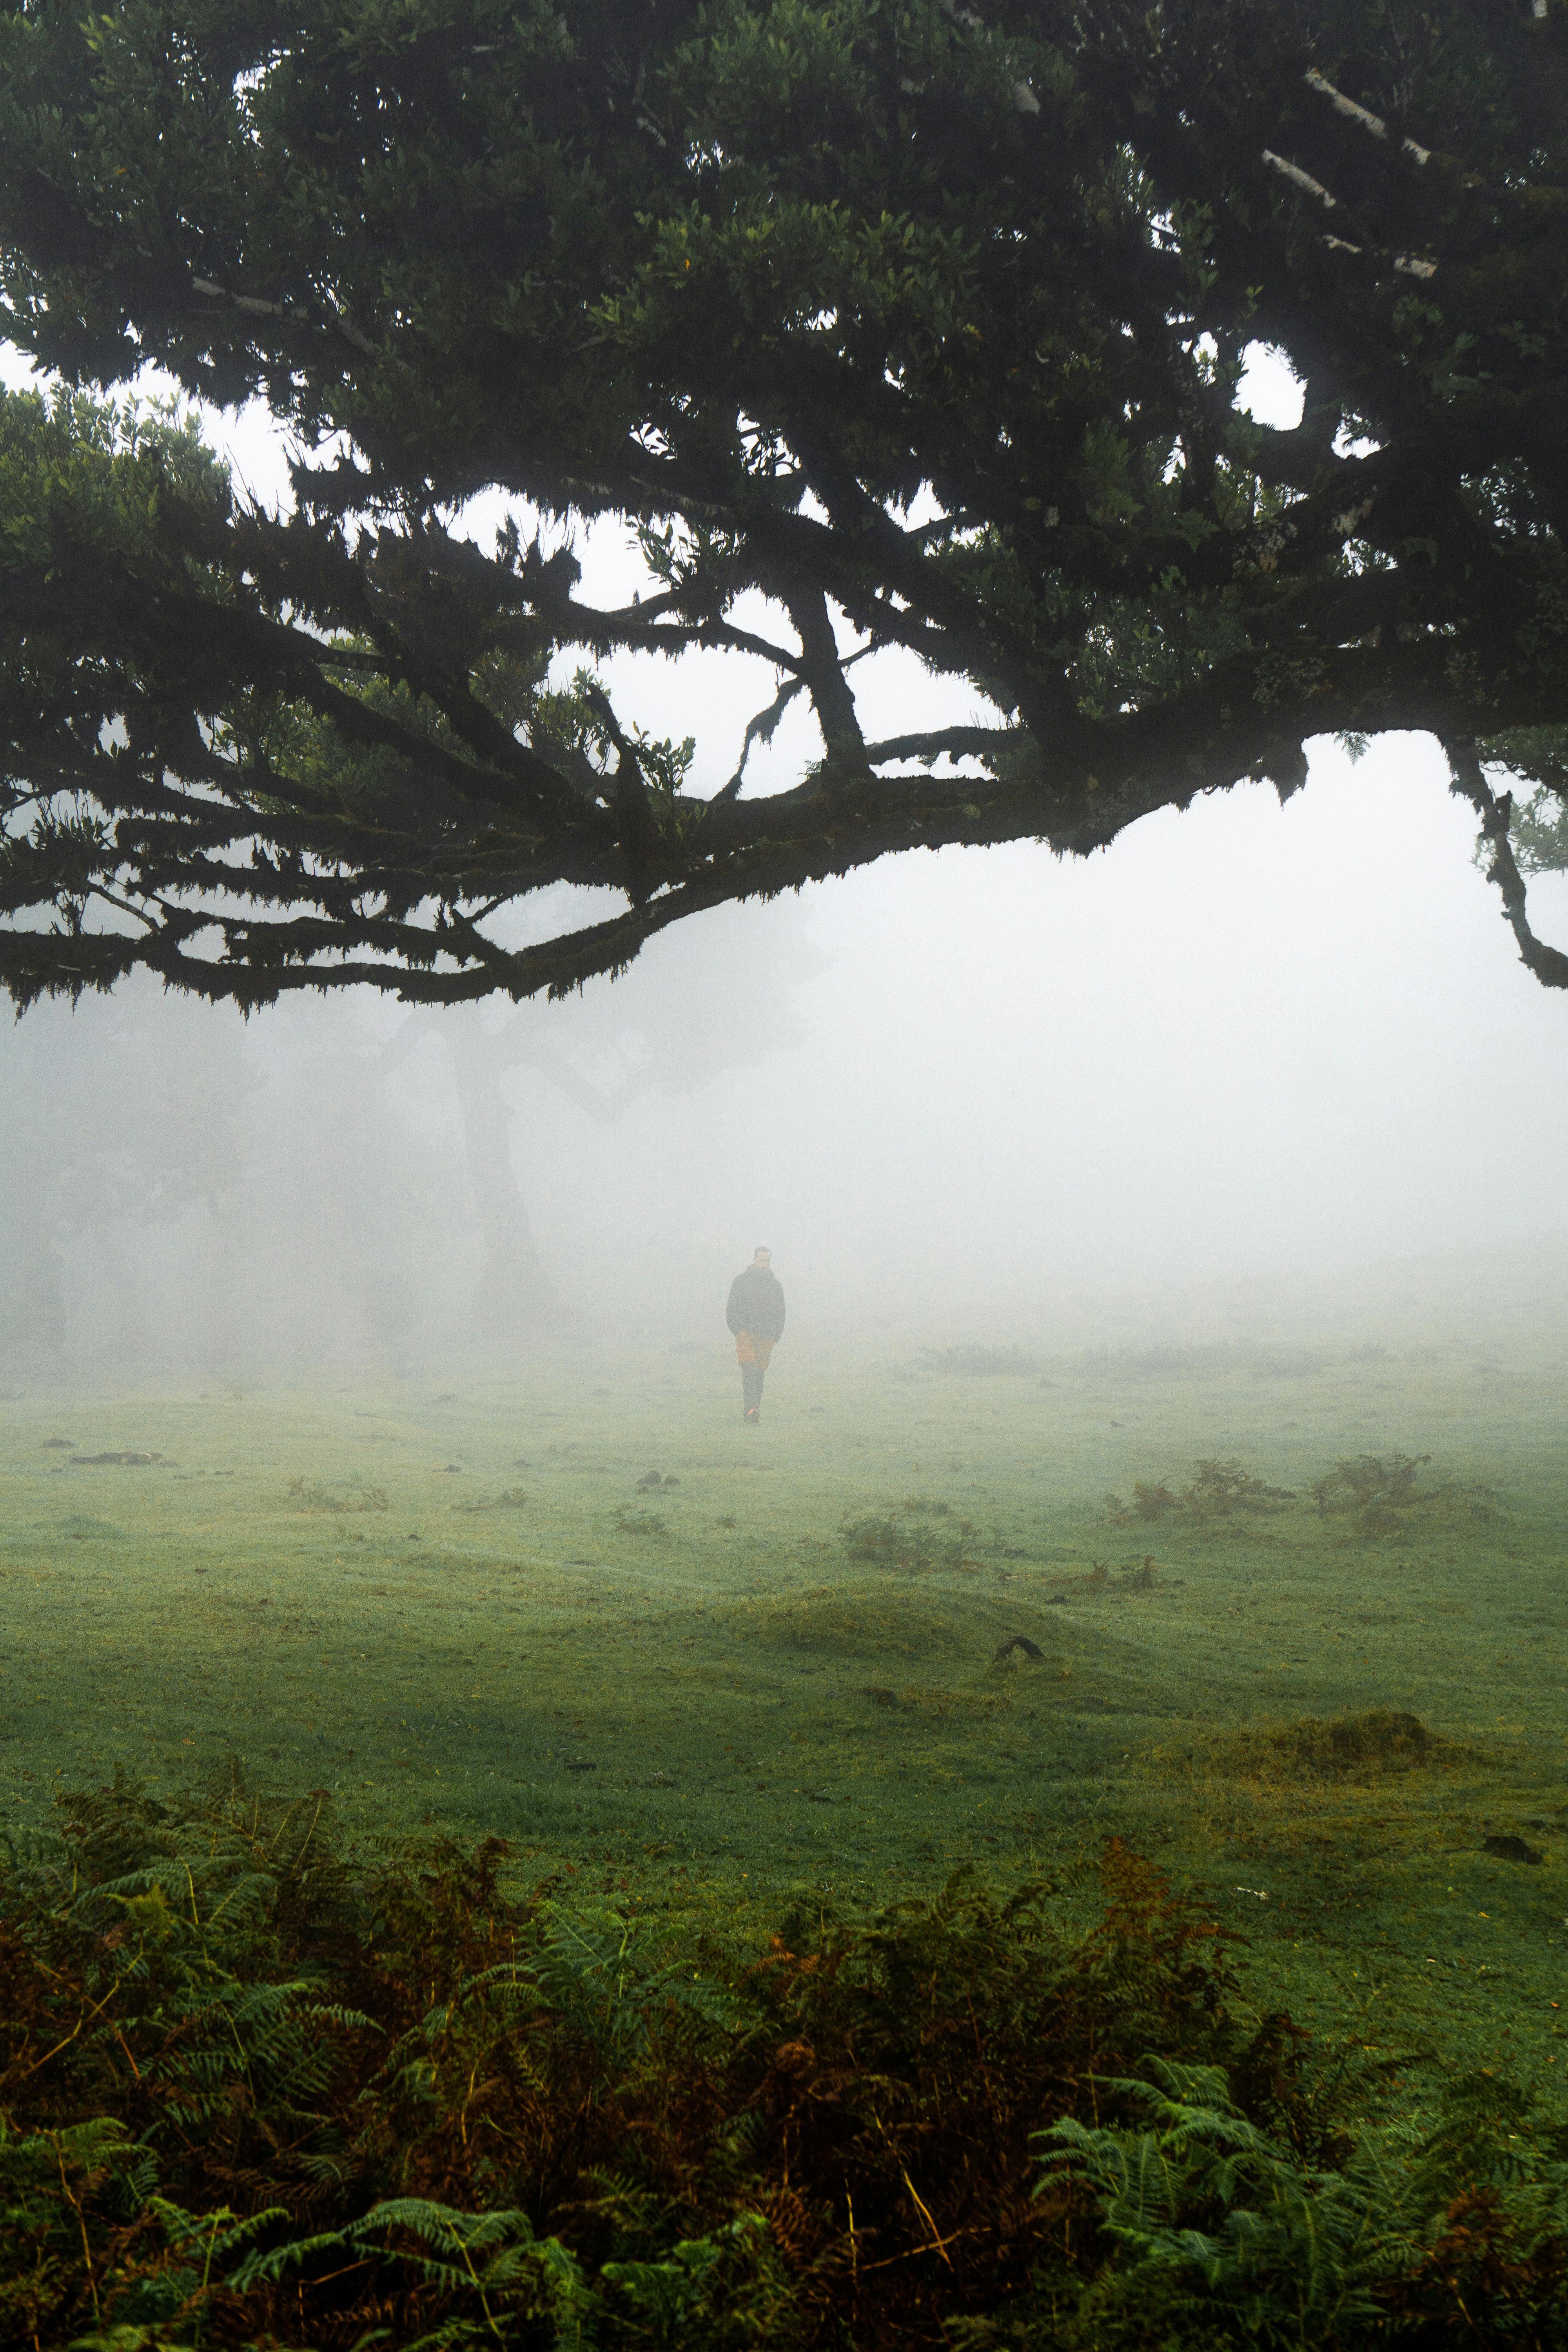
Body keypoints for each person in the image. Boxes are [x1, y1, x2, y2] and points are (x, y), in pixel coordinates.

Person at [726, 1245, 785, 1423]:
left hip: (767, 1336)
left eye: (768, 1261)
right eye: (762, 1261)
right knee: (749, 1370)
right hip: (746, 1333)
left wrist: (777, 1334)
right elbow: (731, 1310)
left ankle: (752, 1411)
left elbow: (781, 1313)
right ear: (754, 1260)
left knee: (759, 1373)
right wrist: (739, 1331)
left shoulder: (775, 1286)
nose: (765, 1264)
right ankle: (752, 1409)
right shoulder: (741, 1282)